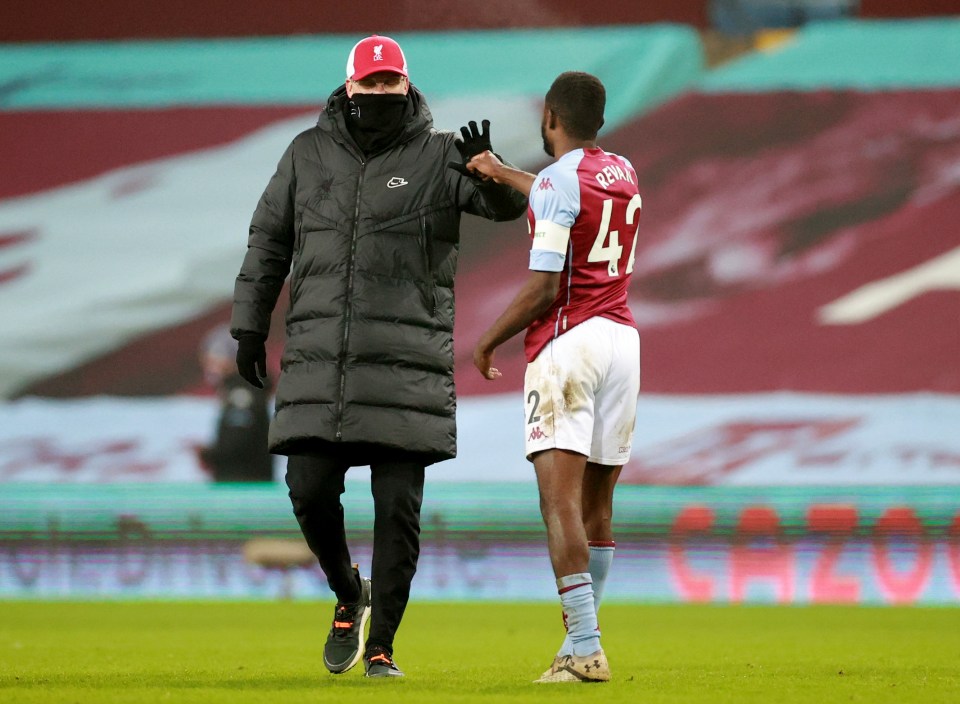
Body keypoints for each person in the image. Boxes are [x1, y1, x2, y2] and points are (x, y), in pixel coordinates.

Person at [229, 34, 527, 678]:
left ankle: (384, 645)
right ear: (349, 89)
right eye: (370, 85)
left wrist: (494, 175)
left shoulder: (442, 153)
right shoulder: (305, 154)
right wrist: (248, 329)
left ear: (407, 87)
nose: (380, 94)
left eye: (391, 84)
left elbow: (506, 210)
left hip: (405, 361)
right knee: (306, 489)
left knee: (398, 511)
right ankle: (347, 592)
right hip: (319, 359)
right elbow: (267, 244)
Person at [466, 71, 641, 683]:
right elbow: (557, 188)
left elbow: (544, 286)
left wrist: (487, 339)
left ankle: (586, 648)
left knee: (557, 502)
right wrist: (500, 170)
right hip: (623, 341)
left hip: (569, 346)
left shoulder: (557, 183)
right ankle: (579, 648)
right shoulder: (620, 170)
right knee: (598, 506)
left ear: (550, 117)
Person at [195, 324, 273, 482]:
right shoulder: (246, 390)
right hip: (248, 484)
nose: (210, 368)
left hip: (242, 486)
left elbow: (238, 442)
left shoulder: (241, 393)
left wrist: (211, 455)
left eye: (214, 360)